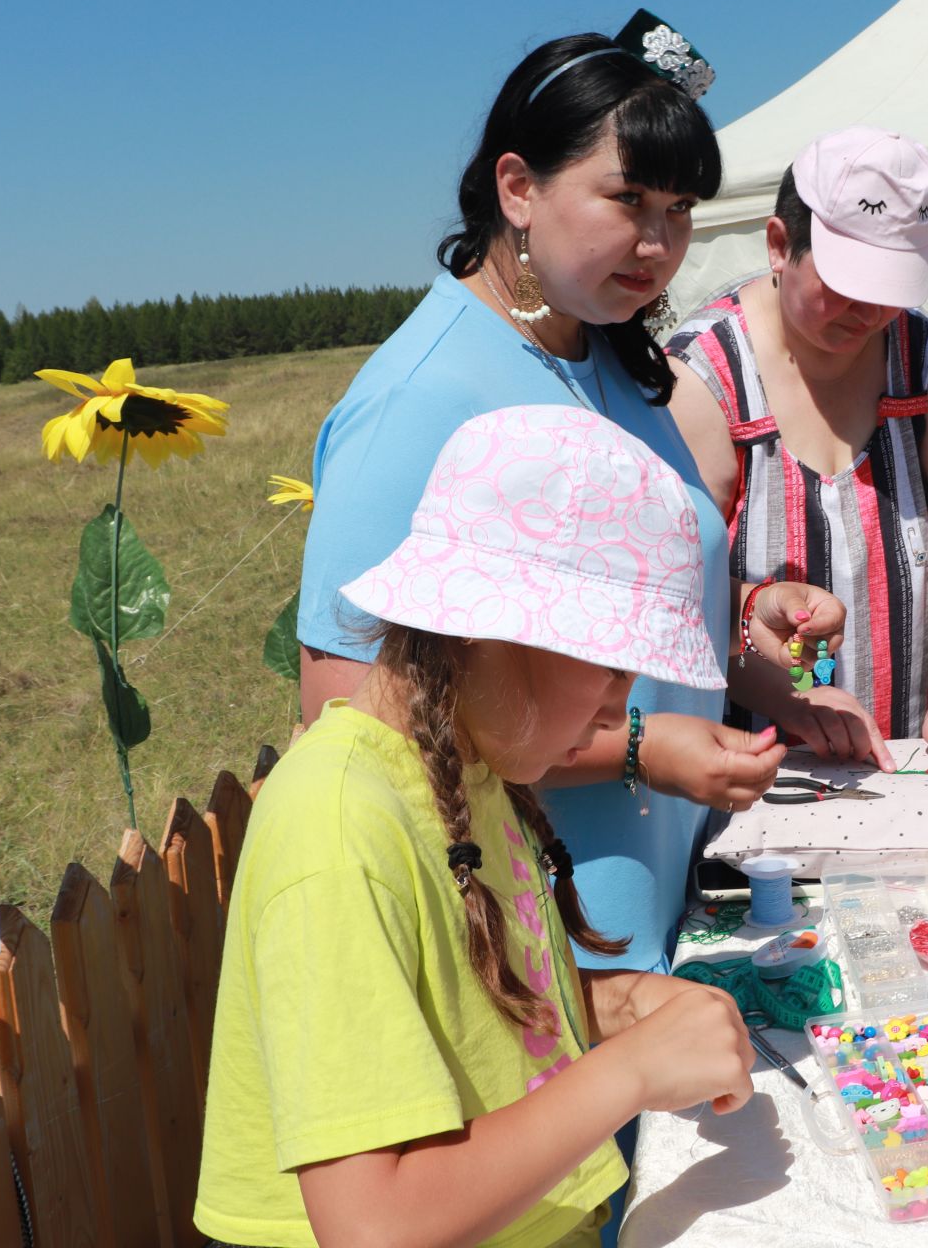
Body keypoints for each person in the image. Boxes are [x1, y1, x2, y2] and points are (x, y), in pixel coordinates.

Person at [294, 17, 842, 971]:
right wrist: (638, 746)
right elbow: (348, 716)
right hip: (540, 927)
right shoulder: (421, 397)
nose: (659, 243)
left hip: (656, 884)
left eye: (679, 210)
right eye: (627, 199)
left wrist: (749, 646)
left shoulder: (607, 352)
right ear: (519, 188)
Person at [197, 406, 756, 1247]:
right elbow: (374, 1224)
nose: (623, 703)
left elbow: (462, 1010)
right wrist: (627, 1073)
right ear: (484, 631)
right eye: (609, 664)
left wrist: (615, 1006)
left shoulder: (469, 770)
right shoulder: (338, 829)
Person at [666, 127, 928, 775]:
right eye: (844, 283)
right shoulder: (704, 381)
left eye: (889, 288)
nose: (865, 311)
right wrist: (794, 698)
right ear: (780, 245)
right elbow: (681, 595)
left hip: (910, 757)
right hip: (748, 768)